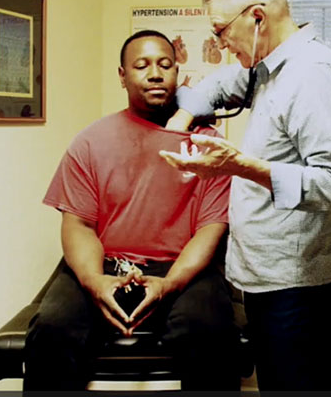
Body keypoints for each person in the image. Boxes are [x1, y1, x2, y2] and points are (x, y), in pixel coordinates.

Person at [160, 0, 331, 391]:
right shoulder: (268, 68)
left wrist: (240, 167)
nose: (220, 43)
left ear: (256, 17)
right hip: (267, 281)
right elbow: (219, 86)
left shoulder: (311, 74)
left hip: (299, 290)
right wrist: (182, 116)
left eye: (220, 30)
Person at [23, 30, 240, 391]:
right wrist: (95, 282)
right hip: (106, 263)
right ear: (122, 76)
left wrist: (170, 284)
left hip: (182, 267)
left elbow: (210, 229)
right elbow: (78, 225)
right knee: (53, 330)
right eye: (142, 66)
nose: (155, 74)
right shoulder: (91, 142)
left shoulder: (208, 145)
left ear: (176, 72)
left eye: (165, 65)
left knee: (209, 331)